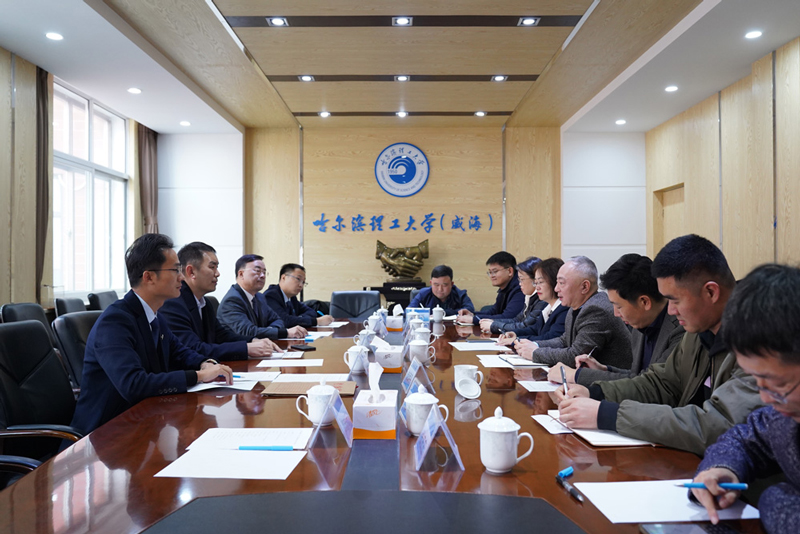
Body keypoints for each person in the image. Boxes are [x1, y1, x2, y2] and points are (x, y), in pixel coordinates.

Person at [553, 235, 763, 455]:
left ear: (710, 292)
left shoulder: (761, 340)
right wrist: (594, 392)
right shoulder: (699, 330)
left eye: (675, 300)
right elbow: (661, 383)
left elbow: (718, 424)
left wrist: (607, 414)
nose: (670, 310)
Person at [71, 233, 233, 435]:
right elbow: (134, 384)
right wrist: (199, 376)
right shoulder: (115, 322)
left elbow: (180, 352)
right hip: (103, 434)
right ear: (148, 277)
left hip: (144, 423)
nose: (181, 277)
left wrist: (205, 363)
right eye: (175, 270)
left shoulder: (154, 315)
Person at [690, 264, 800, 533]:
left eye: (778, 384)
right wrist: (721, 469)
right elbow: (746, 437)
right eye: (757, 381)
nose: (765, 398)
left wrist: (773, 498)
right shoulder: (783, 413)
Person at [547, 253, 684, 386]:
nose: (616, 313)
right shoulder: (640, 323)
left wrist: (576, 376)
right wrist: (604, 369)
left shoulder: (681, 329)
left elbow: (651, 385)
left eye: (619, 306)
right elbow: (637, 376)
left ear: (644, 302)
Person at [160, 242, 280, 361]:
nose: (217, 274)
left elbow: (222, 335)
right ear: (191, 272)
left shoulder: (205, 303)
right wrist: (246, 348)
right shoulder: (173, 303)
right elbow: (193, 348)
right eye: (212, 267)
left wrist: (253, 340)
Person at [517, 256, 632, 370]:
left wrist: (535, 353)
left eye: (561, 283)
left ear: (584, 287)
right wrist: (535, 345)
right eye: (556, 283)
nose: (556, 289)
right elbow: (564, 340)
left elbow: (575, 356)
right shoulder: (577, 306)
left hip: (612, 378)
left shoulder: (596, 310)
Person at [218, 254, 307, 340]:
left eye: (264, 272)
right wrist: (285, 333)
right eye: (257, 271)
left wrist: (270, 330)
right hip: (239, 348)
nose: (263, 276)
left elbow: (277, 320)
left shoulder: (259, 297)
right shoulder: (232, 300)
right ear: (241, 274)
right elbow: (248, 331)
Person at [497, 257, 567, 344]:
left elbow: (549, 338)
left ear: (554, 282)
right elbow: (535, 329)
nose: (537, 287)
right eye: (536, 282)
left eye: (540, 282)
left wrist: (517, 340)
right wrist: (515, 333)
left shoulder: (564, 309)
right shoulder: (548, 307)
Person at [480, 256, 546, 334]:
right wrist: (493, 322)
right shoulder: (529, 297)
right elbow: (517, 320)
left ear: (535, 280)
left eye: (522, 279)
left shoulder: (542, 300)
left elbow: (525, 326)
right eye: (519, 280)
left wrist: (493, 325)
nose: (520, 284)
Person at [457, 251, 525, 325]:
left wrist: (474, 319)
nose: (492, 276)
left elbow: (508, 317)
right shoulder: (505, 288)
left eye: (495, 271)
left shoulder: (520, 288)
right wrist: (472, 314)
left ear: (510, 271)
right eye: (490, 272)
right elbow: (493, 312)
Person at [263, 263, 334, 328]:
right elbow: (284, 320)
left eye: (303, 282)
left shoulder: (292, 297)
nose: (301, 285)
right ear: (283, 278)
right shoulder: (270, 296)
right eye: (298, 279)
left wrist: (298, 319)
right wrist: (317, 321)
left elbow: (311, 312)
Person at [408, 264, 474, 315]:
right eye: (436, 285)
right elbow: (408, 311)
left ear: (451, 284)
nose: (440, 289)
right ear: (431, 283)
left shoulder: (460, 294)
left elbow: (470, 310)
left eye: (445, 285)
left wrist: (443, 313)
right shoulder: (423, 294)